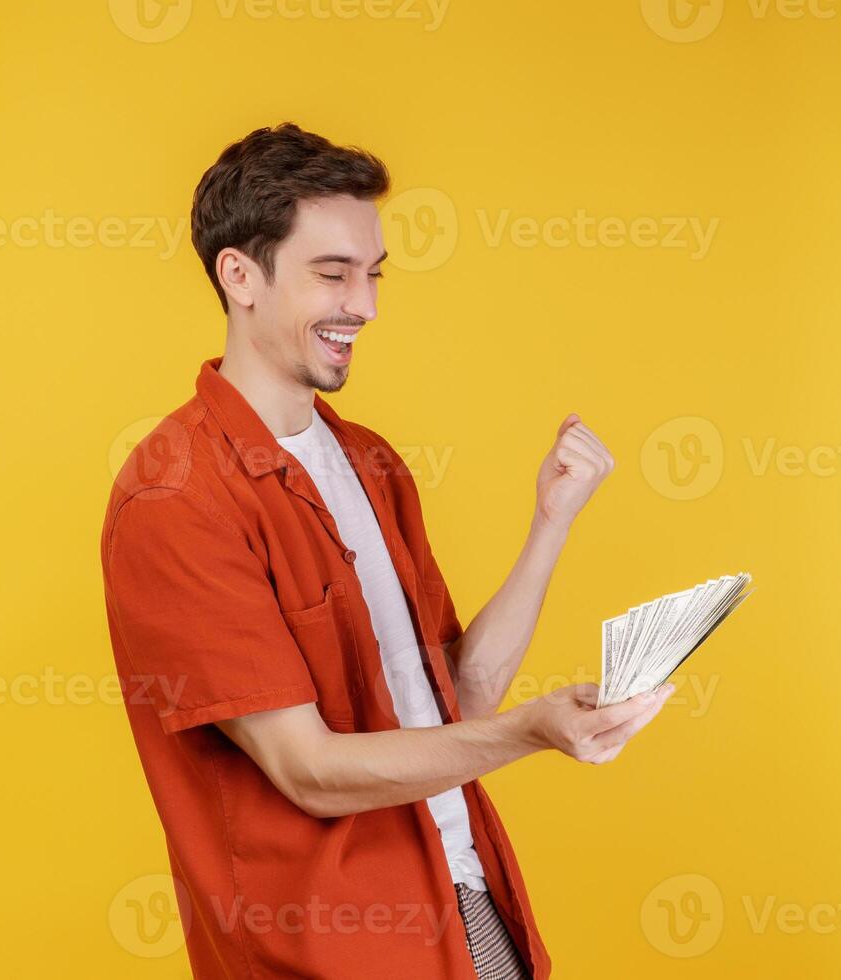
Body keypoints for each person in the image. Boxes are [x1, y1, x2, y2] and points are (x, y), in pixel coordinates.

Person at [100, 121, 675, 979]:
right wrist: (535, 732)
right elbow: (309, 771)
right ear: (240, 276)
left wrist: (550, 525)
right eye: (332, 275)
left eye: (371, 276)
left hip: (469, 910)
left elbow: (458, 698)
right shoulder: (175, 498)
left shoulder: (370, 463)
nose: (364, 305)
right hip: (332, 954)